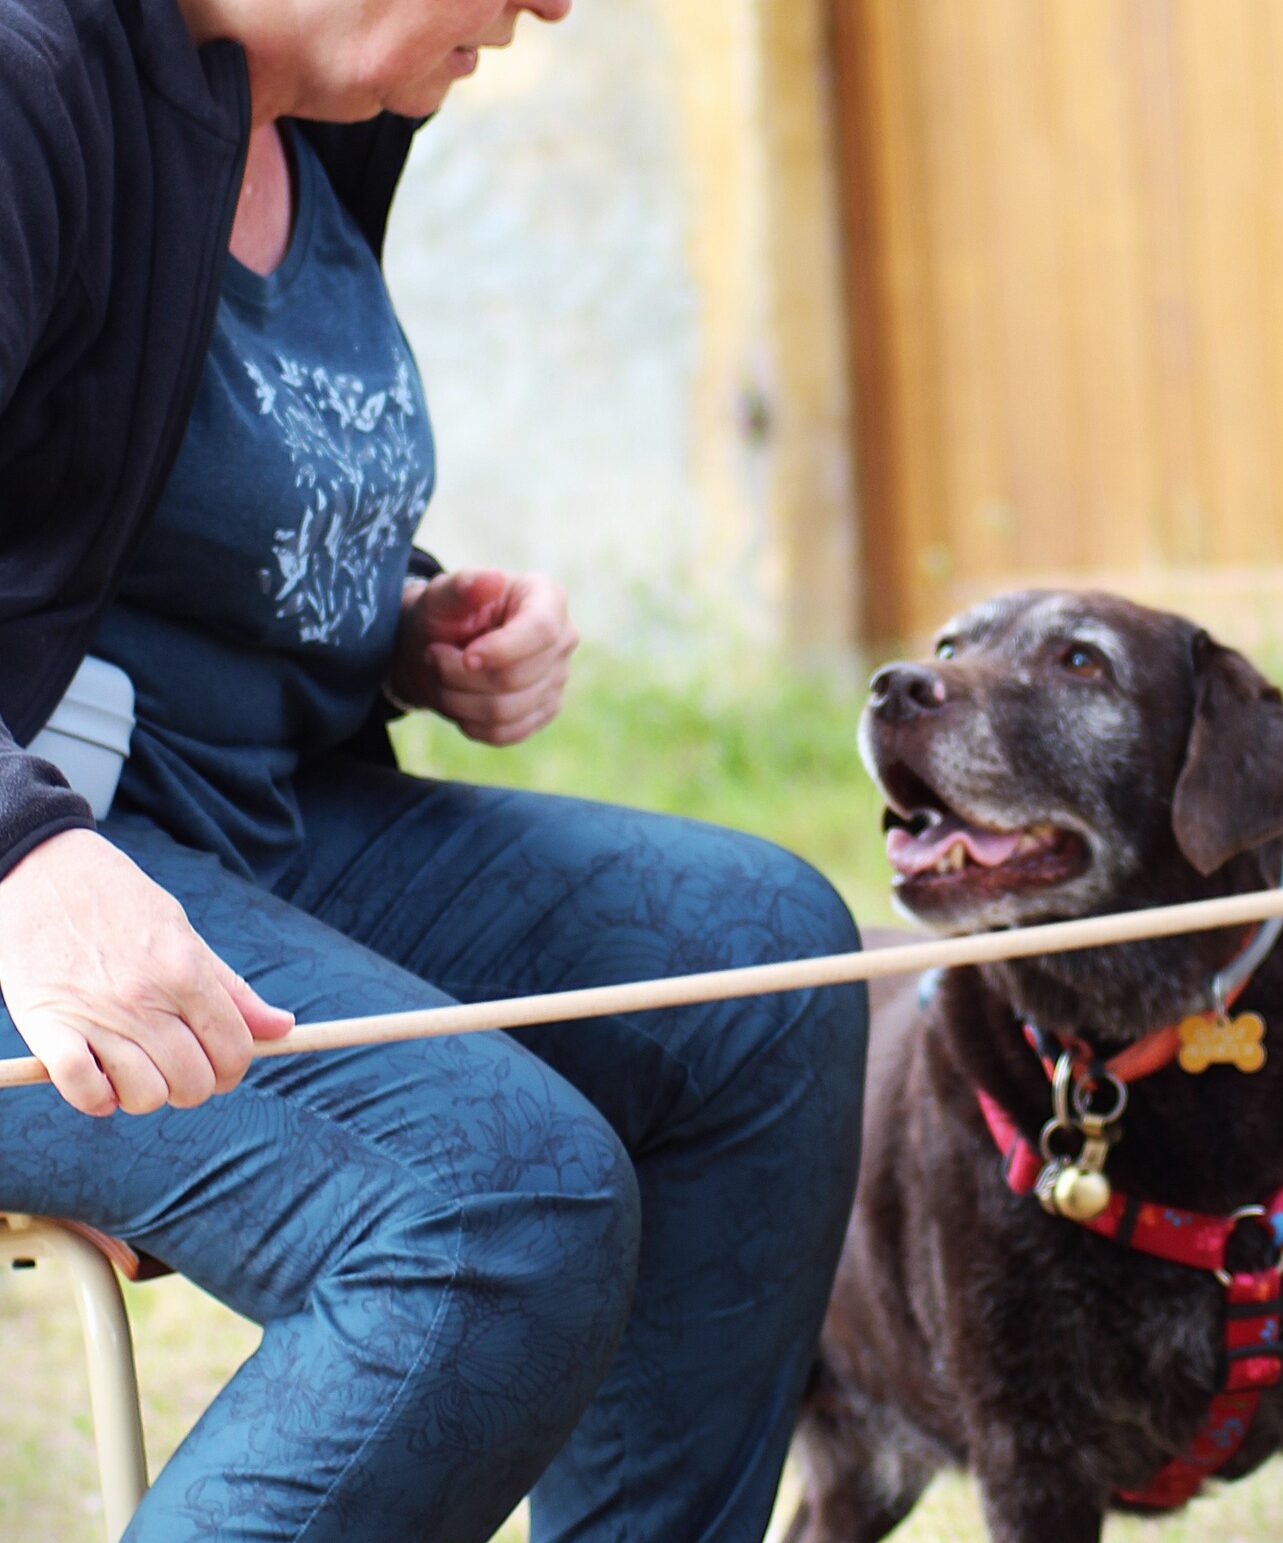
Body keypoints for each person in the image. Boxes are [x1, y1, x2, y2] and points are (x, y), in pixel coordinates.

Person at [0, 0, 869, 1538]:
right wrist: (27, 856)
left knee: (761, 973)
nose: (555, 5)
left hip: (226, 826)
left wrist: (398, 620)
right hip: (41, 883)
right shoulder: (25, 76)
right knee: (492, 1202)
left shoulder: (326, 112)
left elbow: (135, 503)